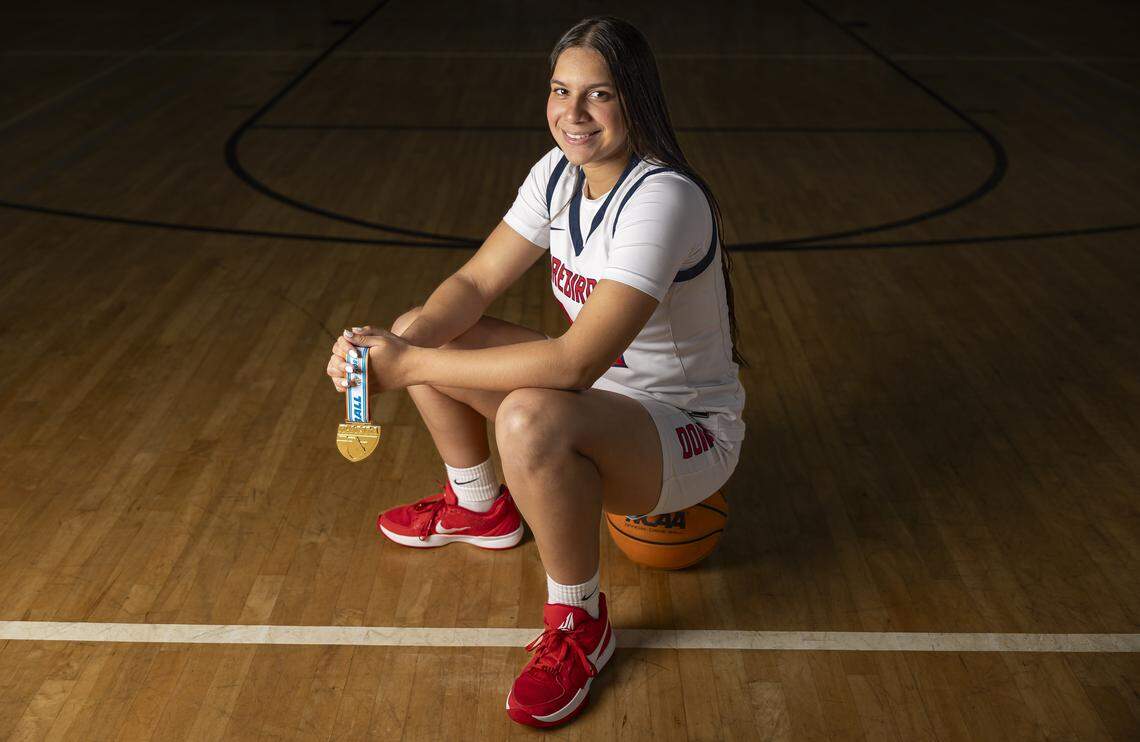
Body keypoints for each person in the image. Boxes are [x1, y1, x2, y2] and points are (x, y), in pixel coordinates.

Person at [325, 15, 746, 729]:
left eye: (599, 95)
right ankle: (480, 504)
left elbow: (574, 360)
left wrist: (409, 365)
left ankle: (580, 622)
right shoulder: (556, 174)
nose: (572, 114)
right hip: (598, 398)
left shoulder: (663, 199)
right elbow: (472, 283)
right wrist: (391, 347)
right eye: (560, 90)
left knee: (527, 415)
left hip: (686, 430)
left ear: (635, 100)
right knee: (425, 322)